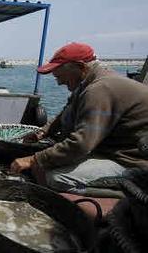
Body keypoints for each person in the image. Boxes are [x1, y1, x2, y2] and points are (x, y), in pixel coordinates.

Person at [10, 42, 148, 196]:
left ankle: (130, 193)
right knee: (46, 162)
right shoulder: (88, 82)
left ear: (80, 67)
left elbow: (81, 144)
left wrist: (33, 159)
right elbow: (65, 111)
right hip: (107, 149)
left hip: (130, 162)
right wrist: (43, 132)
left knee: (56, 177)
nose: (59, 82)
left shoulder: (99, 89)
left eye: (60, 76)